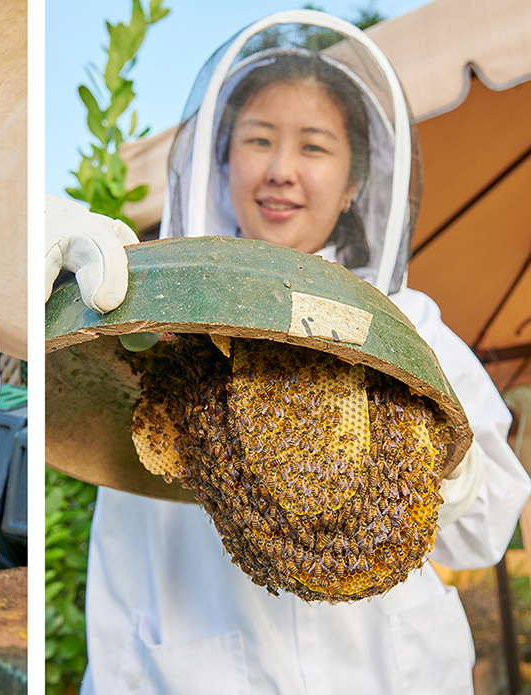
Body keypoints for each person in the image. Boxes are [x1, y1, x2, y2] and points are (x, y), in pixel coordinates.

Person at [46, 10, 530, 694]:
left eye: (314, 146)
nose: (280, 170)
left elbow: (484, 532)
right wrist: (67, 295)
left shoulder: (412, 323)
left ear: (357, 182)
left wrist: (451, 468)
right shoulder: (155, 308)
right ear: (222, 159)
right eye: (258, 139)